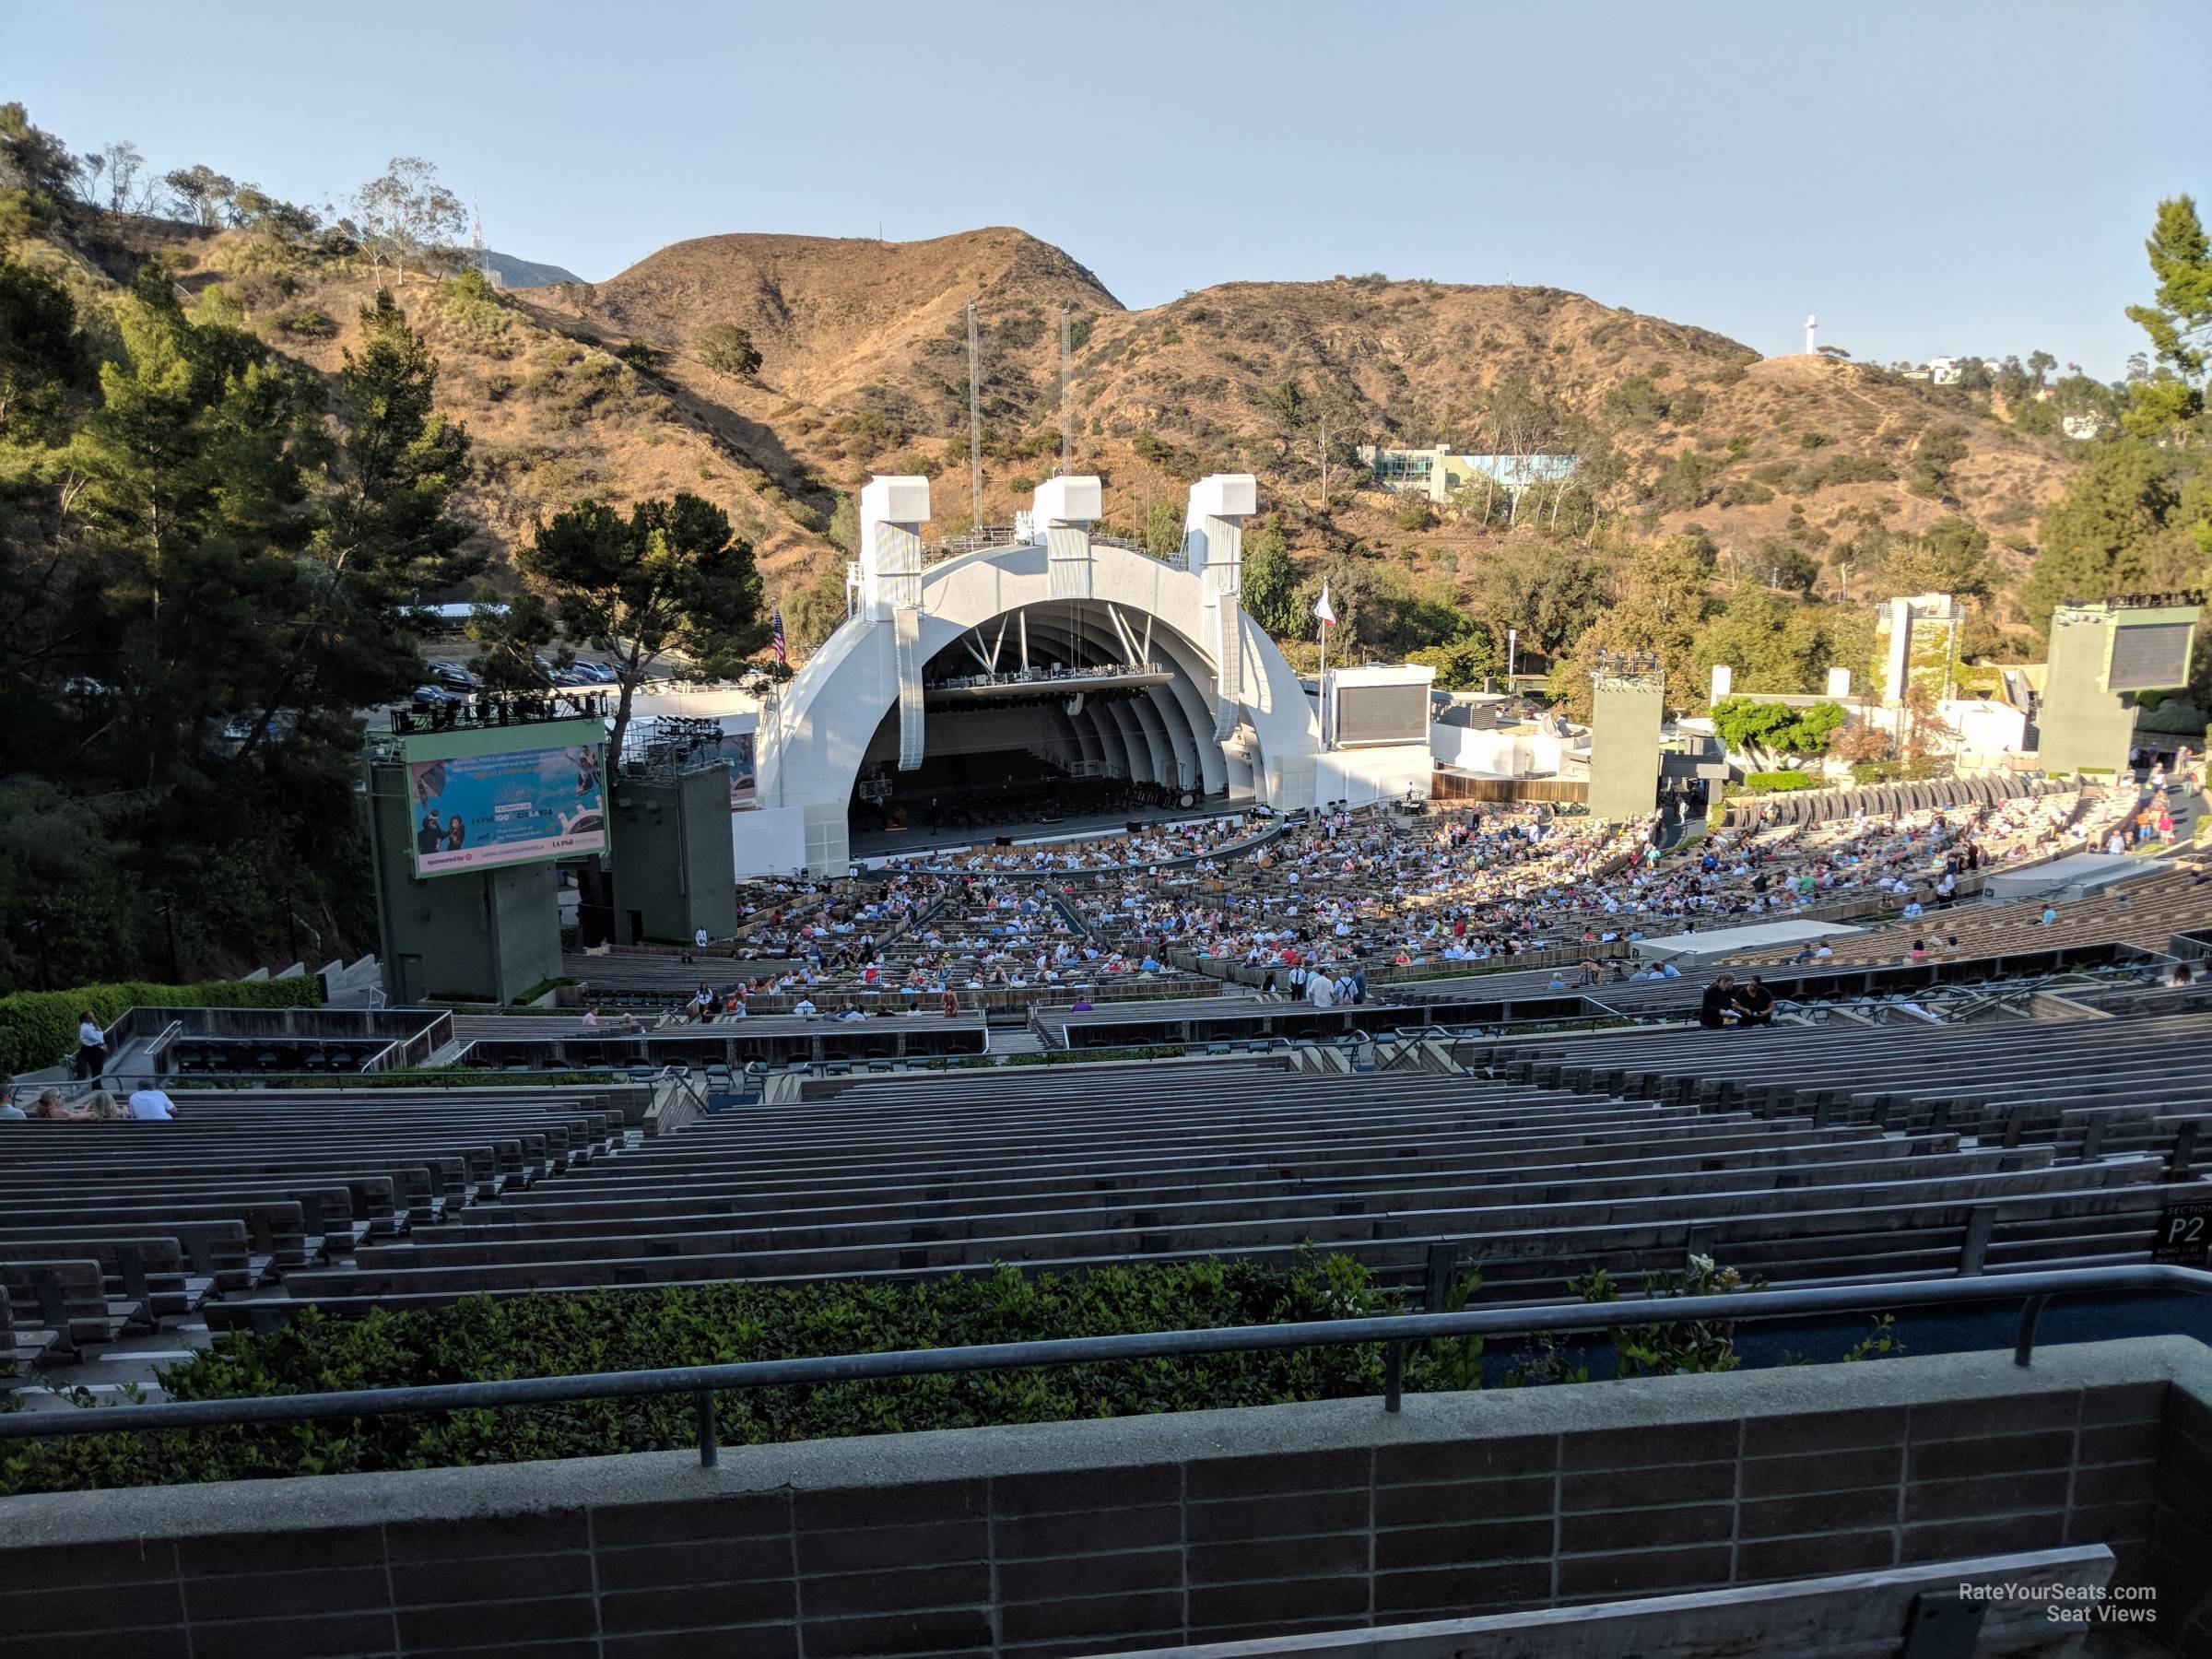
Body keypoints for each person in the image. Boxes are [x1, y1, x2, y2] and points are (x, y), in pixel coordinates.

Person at [75, 1011, 106, 1080]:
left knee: (98, 1069)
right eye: (91, 1017)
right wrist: (97, 1027)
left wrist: (102, 1043)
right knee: (97, 1069)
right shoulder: (86, 1028)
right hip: (90, 1050)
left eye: (93, 1016)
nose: (93, 1019)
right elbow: (96, 1038)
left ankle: (97, 1086)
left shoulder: (90, 1025)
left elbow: (100, 1036)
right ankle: (96, 1087)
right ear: (85, 1019)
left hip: (94, 1048)